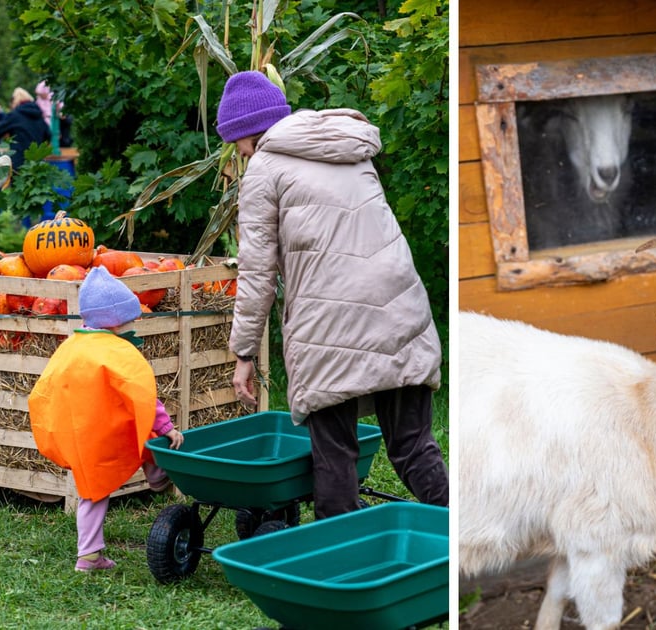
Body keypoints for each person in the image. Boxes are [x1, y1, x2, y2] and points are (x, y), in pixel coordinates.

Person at [217, 70, 449, 519]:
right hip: (401, 305)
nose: (239, 153)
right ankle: (463, 538)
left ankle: (339, 562)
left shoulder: (264, 169)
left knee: (335, 454)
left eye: (236, 142)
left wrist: (244, 352)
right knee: (414, 448)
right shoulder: (349, 147)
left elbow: (257, 272)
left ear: (247, 131)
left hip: (329, 321)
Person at [28, 266, 184, 572]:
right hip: (105, 432)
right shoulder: (116, 351)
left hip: (81, 432)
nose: (133, 324)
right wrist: (166, 427)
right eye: (129, 318)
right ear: (115, 321)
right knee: (144, 445)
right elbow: (143, 396)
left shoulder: (73, 346)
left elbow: (46, 388)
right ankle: (157, 478)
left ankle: (89, 555)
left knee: (92, 491)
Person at [0, 87, 51, 170]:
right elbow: (48, 135)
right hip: (37, 162)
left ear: (15, 101)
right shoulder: (39, 117)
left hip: (18, 162)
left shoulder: (15, 116)